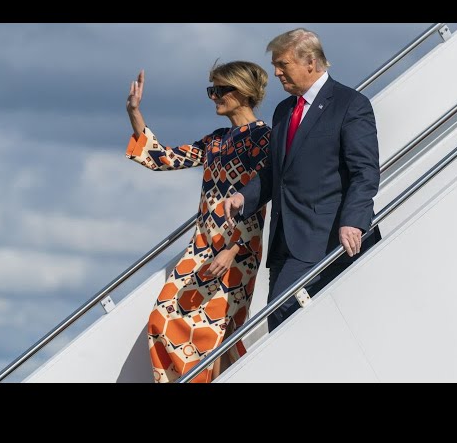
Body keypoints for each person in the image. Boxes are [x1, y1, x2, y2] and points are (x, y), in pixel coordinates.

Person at [223, 28, 382, 332]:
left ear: (310, 61)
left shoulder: (350, 104)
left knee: (282, 316)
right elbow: (276, 171)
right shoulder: (284, 110)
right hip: (284, 242)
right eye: (275, 65)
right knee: (282, 324)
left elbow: (365, 171)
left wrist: (354, 221)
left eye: (282, 64)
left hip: (326, 238)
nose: (276, 72)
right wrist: (244, 197)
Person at [125, 61, 271, 383]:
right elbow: (163, 159)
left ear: (242, 92)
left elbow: (261, 195)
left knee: (216, 333)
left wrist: (234, 249)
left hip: (238, 251)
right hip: (202, 248)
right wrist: (134, 112)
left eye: (220, 90)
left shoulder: (263, 139)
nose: (214, 97)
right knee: (163, 320)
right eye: (211, 90)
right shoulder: (215, 141)